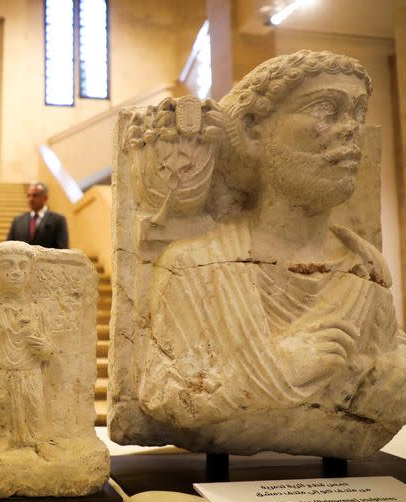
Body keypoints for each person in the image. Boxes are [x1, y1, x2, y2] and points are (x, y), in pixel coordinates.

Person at [138, 50, 406, 453]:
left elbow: (387, 376)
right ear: (251, 130)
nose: (351, 129)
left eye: (357, 112)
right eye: (326, 109)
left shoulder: (366, 266)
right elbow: (164, 393)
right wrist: (277, 371)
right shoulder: (194, 267)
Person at [0, 241, 56, 448]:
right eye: (7, 265)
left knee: (34, 407)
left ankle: (37, 440)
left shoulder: (38, 312)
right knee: (2, 407)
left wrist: (44, 348)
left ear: (29, 272)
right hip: (1, 370)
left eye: (22, 266)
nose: (15, 272)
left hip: (30, 371)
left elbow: (50, 349)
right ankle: (3, 437)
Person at [6, 182, 69, 249]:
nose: (31, 199)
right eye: (29, 195)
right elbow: (8, 246)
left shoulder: (58, 220)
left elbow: (63, 249)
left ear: (45, 198)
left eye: (35, 195)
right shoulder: (18, 220)